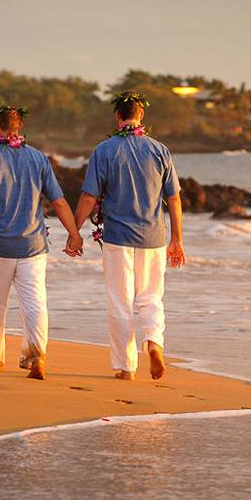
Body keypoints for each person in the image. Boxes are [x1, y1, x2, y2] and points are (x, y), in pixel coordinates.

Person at [0, 105, 83, 380]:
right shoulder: (39, 159)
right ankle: (36, 356)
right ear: (18, 128)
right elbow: (58, 201)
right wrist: (74, 234)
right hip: (32, 246)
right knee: (34, 302)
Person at [73, 91, 185, 380]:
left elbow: (89, 196)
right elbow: (173, 199)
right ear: (141, 116)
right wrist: (178, 240)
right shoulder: (160, 150)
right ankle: (155, 344)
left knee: (120, 300)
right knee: (151, 298)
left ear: (117, 117)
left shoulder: (105, 150)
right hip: (154, 237)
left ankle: (126, 367)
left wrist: (74, 232)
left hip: (117, 238)